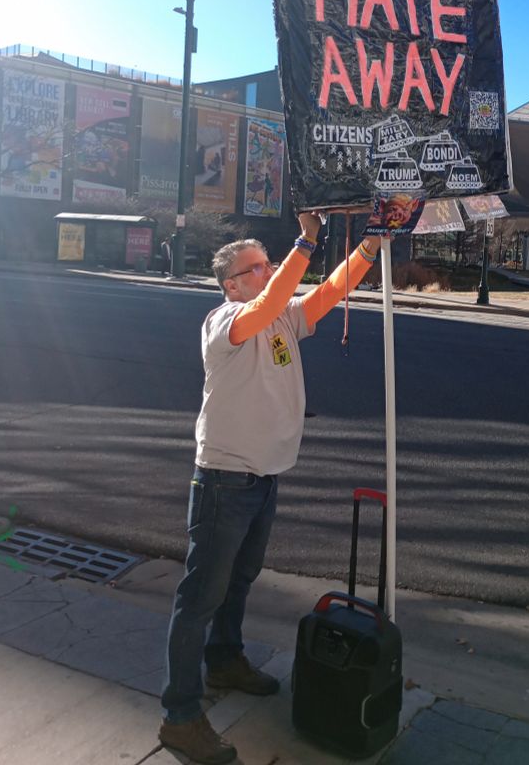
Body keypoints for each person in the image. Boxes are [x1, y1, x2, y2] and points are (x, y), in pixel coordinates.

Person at [158, 212, 382, 765]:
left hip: (263, 477)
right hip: (224, 480)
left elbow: (328, 293)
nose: (266, 272)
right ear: (231, 283)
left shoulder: (281, 316)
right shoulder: (225, 320)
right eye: (254, 268)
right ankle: (181, 716)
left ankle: (226, 658)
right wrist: (306, 241)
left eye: (266, 264)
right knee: (199, 599)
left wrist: (370, 247)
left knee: (240, 580)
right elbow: (267, 302)